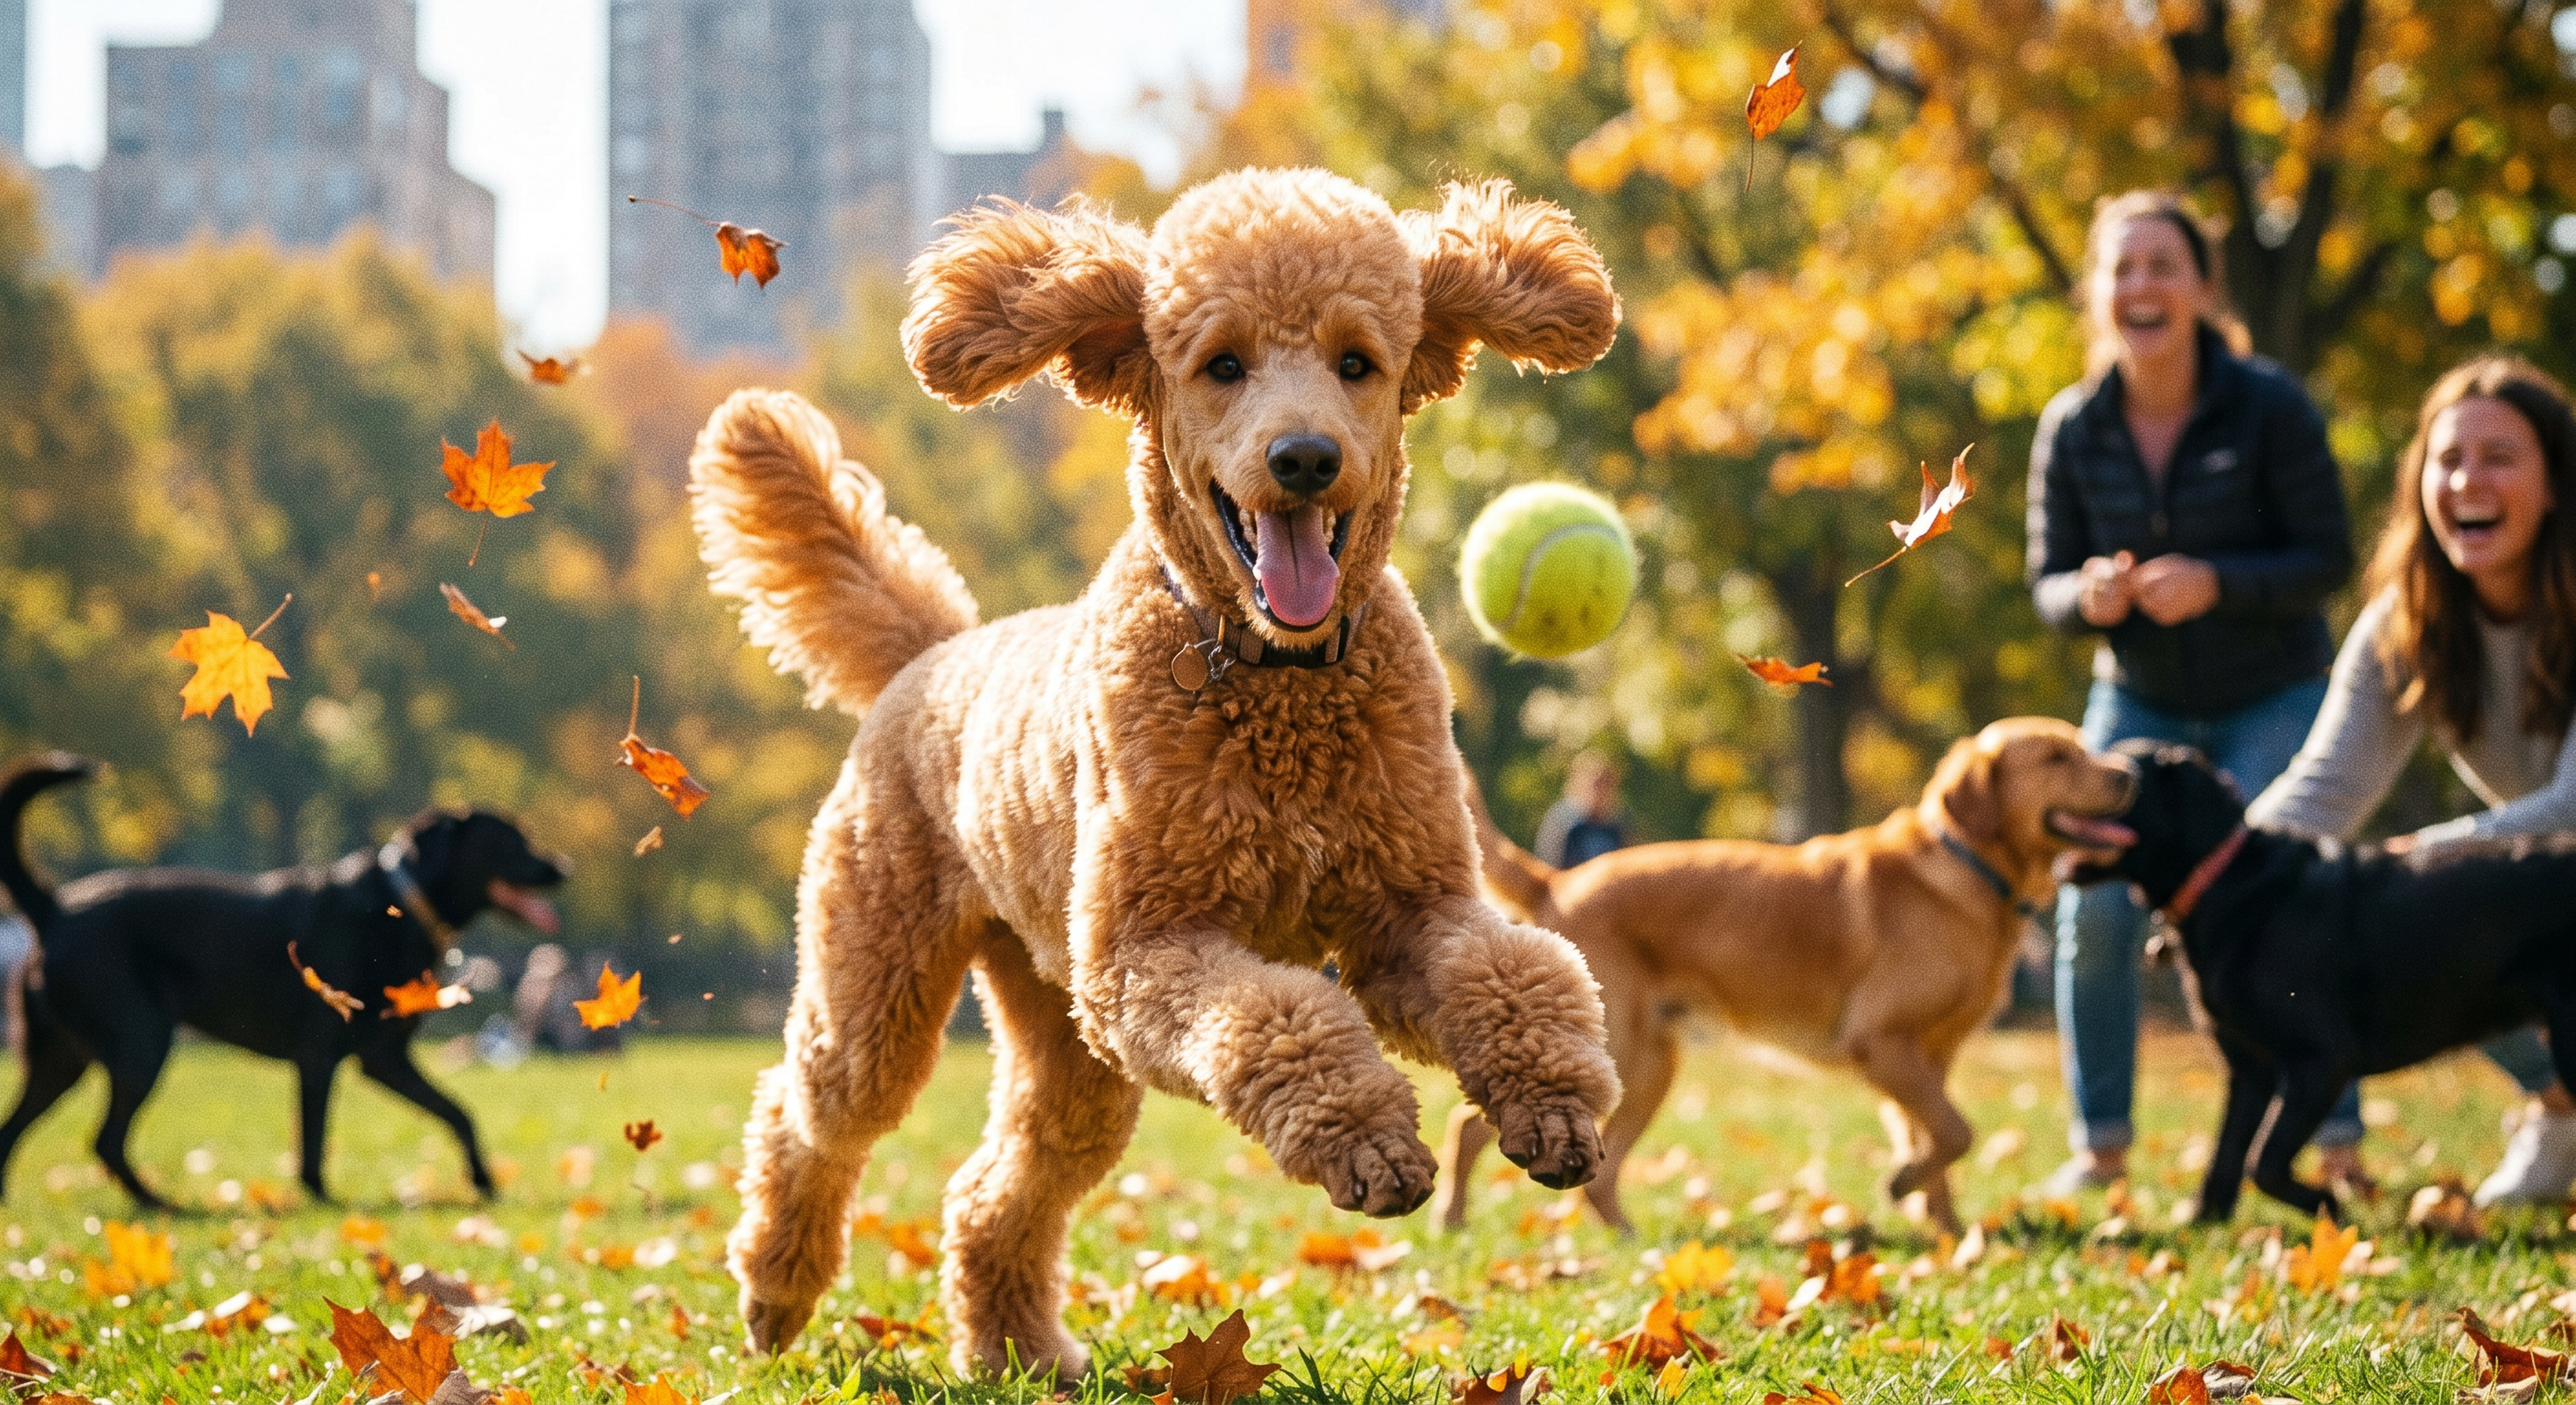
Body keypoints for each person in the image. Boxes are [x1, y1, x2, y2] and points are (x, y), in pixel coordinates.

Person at [2026, 190, 2357, 1196]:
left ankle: (2332, 1139)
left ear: (2202, 288)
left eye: (2160, 265)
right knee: (2093, 907)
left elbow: (2327, 558)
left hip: (2273, 694)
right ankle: (2100, 1144)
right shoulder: (2071, 427)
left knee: (2285, 902)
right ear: (2096, 292)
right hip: (2137, 703)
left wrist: (2218, 583)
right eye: (2120, 268)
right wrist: (2084, 597)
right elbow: (2042, 583)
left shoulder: (2268, 406)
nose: (2139, 286)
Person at [2249, 354, 2576, 1206]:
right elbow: (2325, 789)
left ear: (2554, 483)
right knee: (2416, 924)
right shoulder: (2408, 621)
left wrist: (2420, 861)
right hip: (2549, 891)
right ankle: (2559, 1104)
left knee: (2421, 898)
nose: (2469, 479)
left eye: (2501, 456)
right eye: (2448, 459)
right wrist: (2213, 875)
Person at [1534, 750, 1626, 868]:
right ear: (1577, 782)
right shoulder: (1560, 822)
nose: (1599, 790)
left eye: (1605, 783)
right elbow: (1547, 867)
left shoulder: (1617, 826)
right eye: (1594, 783)